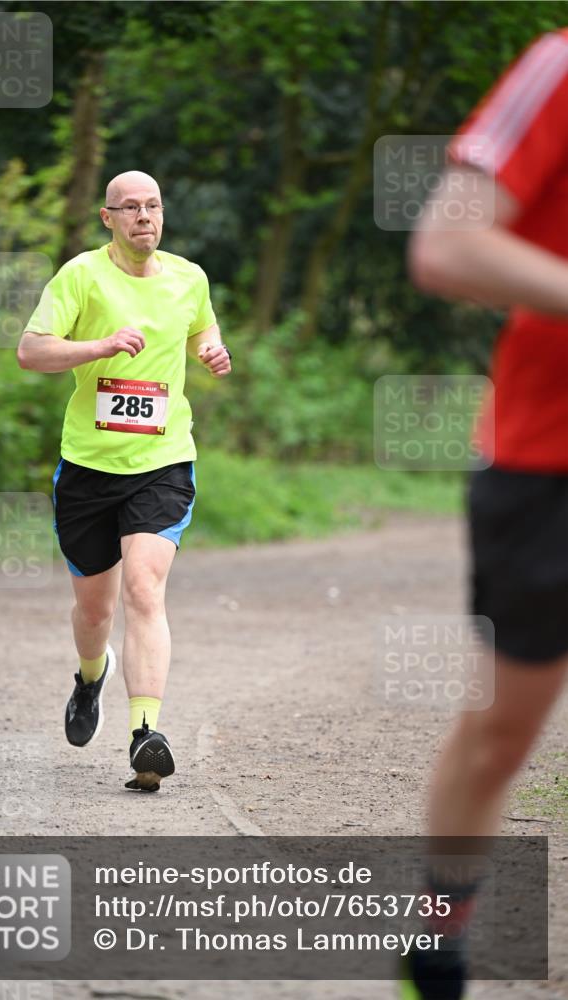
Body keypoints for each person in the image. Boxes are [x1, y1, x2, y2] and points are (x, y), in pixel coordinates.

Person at [402, 28, 568, 1000]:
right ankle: (435, 938)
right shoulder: (559, 69)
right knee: (505, 732)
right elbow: (447, 244)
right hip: (548, 464)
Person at [18, 170, 231, 792]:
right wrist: (100, 346)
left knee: (144, 588)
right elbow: (31, 351)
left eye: (153, 206)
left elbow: (203, 326)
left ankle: (146, 734)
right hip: (88, 466)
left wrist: (211, 349)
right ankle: (90, 677)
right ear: (107, 218)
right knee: (95, 609)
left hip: (163, 461)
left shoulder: (189, 277)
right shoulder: (81, 276)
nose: (144, 216)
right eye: (130, 207)